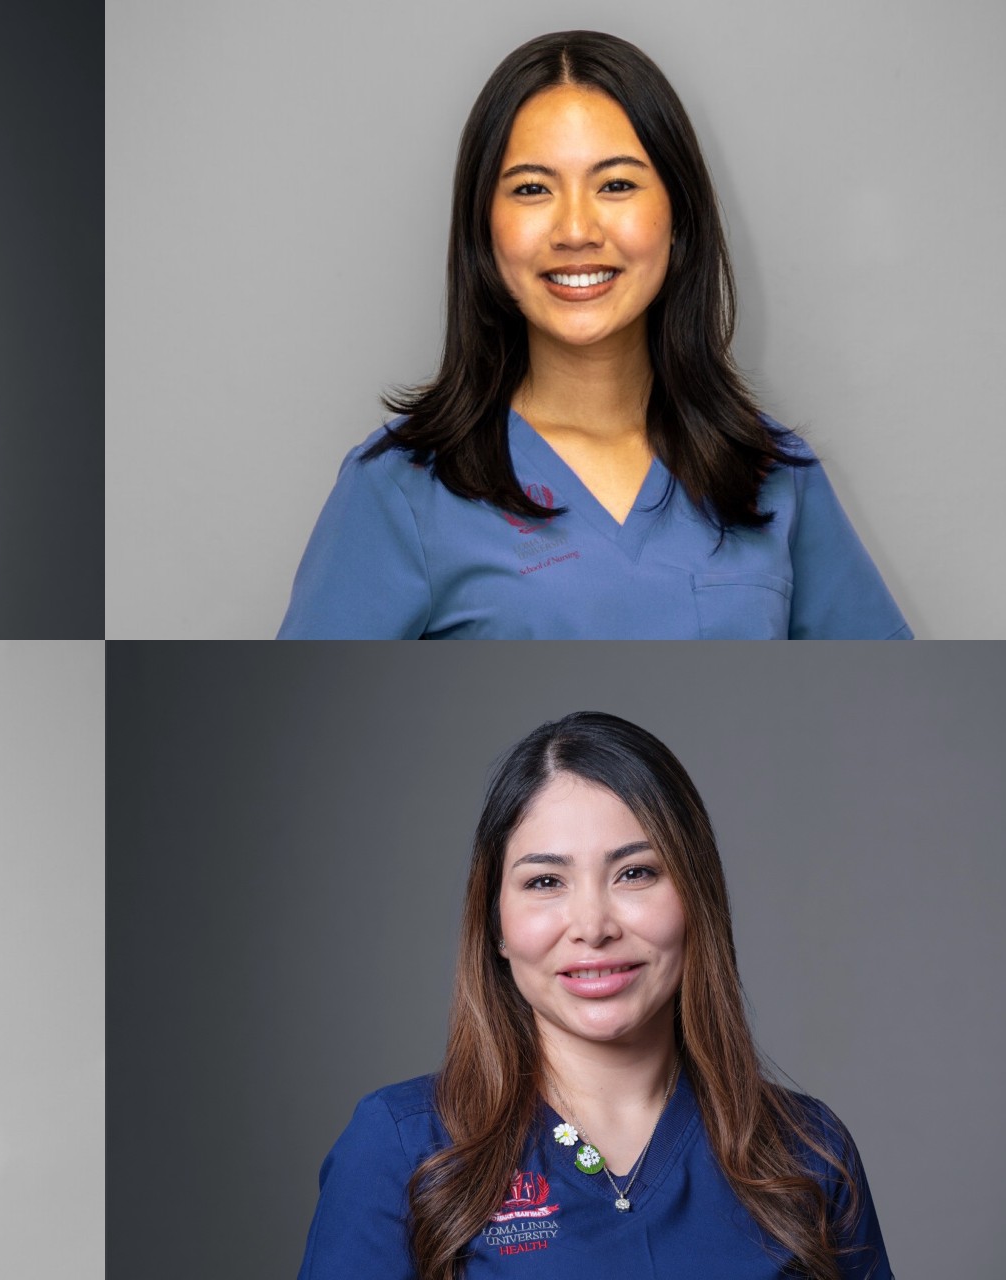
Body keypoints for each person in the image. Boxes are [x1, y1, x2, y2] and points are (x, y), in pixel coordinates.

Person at [278, 31, 908, 639]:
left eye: (616, 185)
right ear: (484, 229)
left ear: (678, 218)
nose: (575, 228)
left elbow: (889, 702)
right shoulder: (399, 488)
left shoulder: (772, 473)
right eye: (531, 189)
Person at [296, 712, 890, 1278]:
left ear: (696, 898)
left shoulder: (807, 1152)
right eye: (545, 882)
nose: (593, 925)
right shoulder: (402, 1148)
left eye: (635, 873)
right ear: (496, 924)